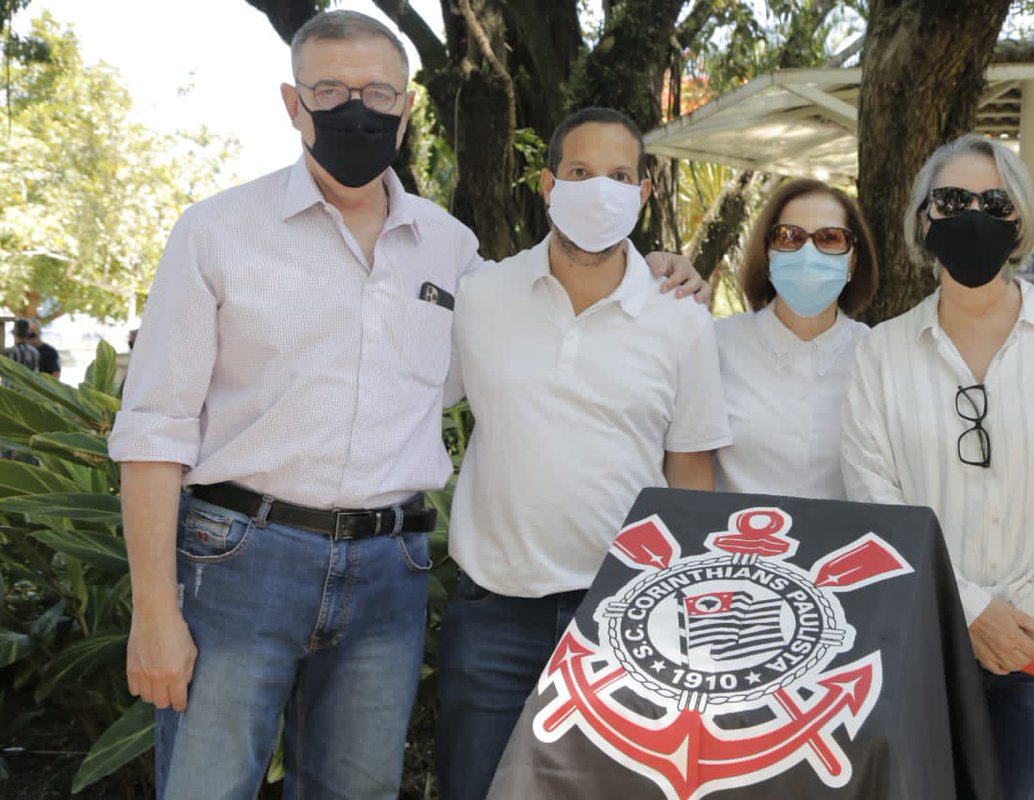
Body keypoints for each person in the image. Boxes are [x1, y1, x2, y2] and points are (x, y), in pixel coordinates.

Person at [106, 14, 704, 799]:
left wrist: (655, 267)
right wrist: (154, 608)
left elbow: (553, 295)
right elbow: (154, 428)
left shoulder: (451, 250)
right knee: (205, 787)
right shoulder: (217, 232)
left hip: (389, 574)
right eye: (330, 90)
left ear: (407, 106)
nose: (356, 108)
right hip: (242, 559)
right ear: (294, 103)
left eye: (377, 92)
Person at [434, 107, 733, 800]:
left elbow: (690, 472)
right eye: (580, 172)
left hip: (628, 618)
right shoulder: (481, 297)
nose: (600, 190)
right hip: (493, 615)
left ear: (644, 194)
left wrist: (691, 618)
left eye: (620, 176)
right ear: (547, 183)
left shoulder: (682, 320)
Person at [841, 133, 1034, 800]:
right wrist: (971, 611)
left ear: (1019, 223)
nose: (972, 213)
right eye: (952, 199)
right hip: (928, 640)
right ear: (923, 219)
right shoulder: (882, 353)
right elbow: (874, 495)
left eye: (993, 202)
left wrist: (1032, 610)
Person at [713, 178, 877, 497]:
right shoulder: (717, 344)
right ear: (768, 252)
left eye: (830, 238)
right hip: (737, 543)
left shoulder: (875, 355)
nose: (808, 252)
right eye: (789, 236)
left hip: (840, 543)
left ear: (853, 258)